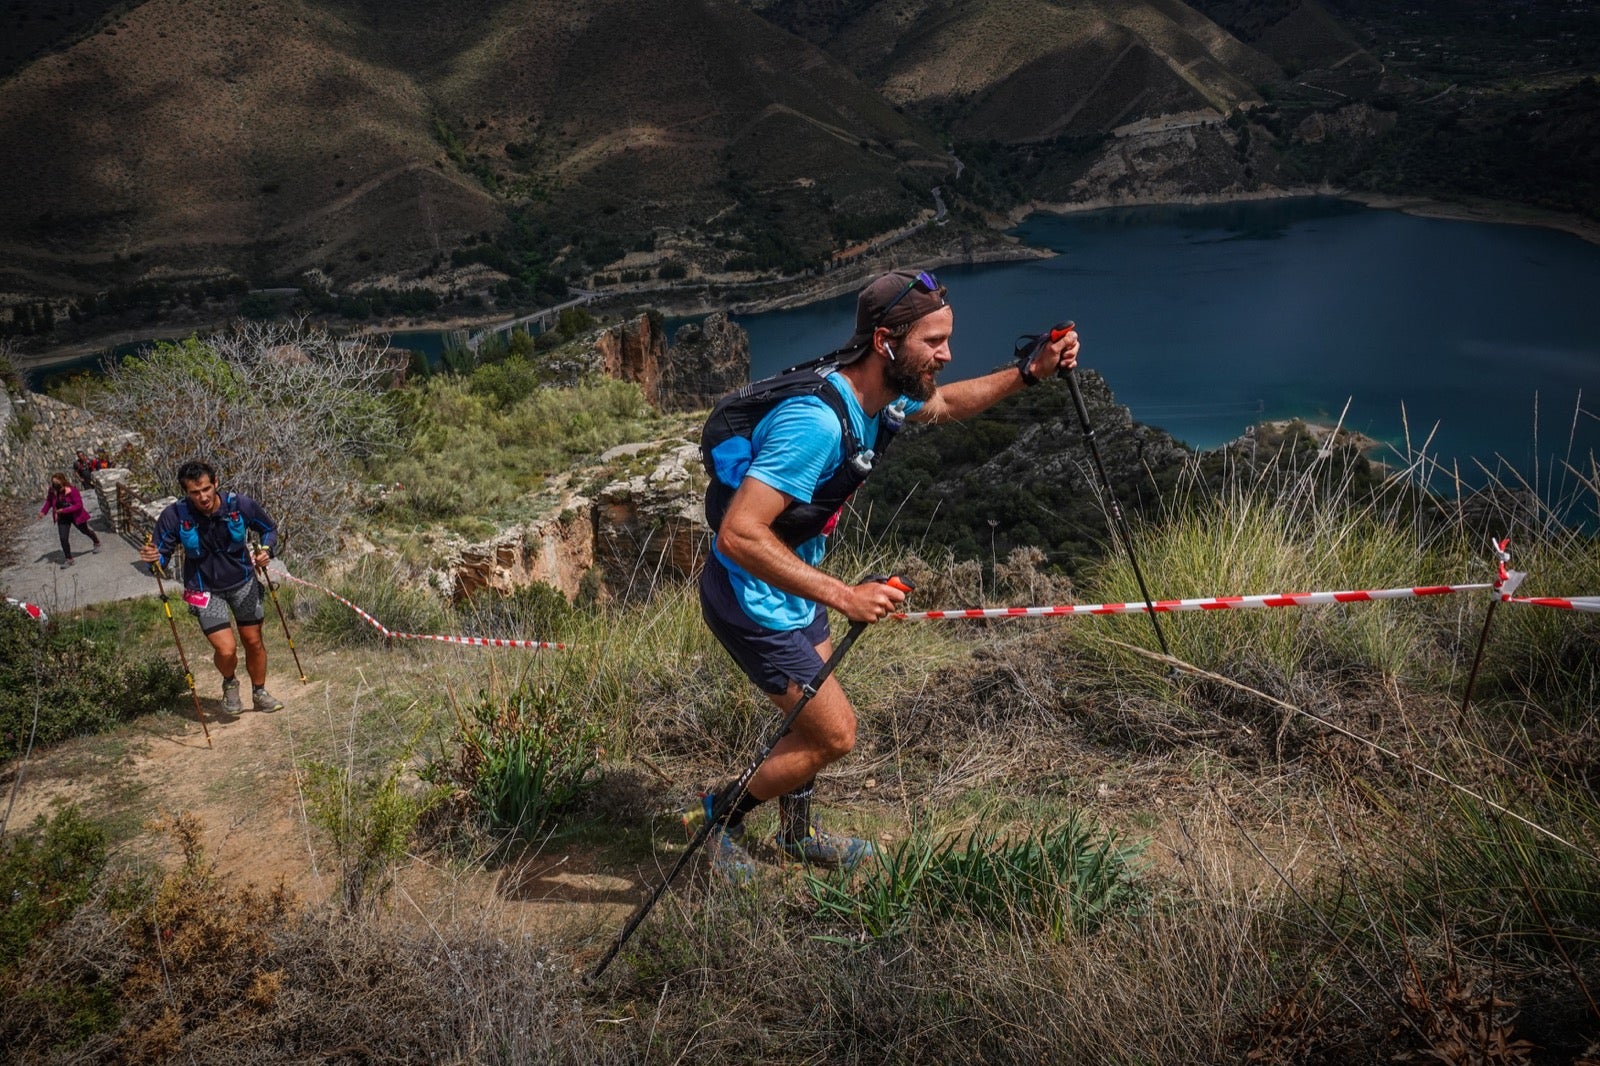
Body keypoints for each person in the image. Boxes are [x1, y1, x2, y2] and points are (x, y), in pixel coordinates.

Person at [692, 269, 1079, 879]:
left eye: (946, 339)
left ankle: (798, 835)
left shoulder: (882, 394)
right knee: (833, 734)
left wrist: (1030, 373)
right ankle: (718, 818)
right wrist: (844, 595)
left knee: (809, 722)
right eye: (933, 342)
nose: (946, 354)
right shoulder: (815, 425)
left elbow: (947, 403)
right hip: (751, 599)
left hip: (794, 585)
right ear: (884, 342)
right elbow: (739, 534)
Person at [137, 460, 285, 714]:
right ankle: (230, 683)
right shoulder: (174, 516)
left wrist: (265, 550)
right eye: (195, 492)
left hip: (243, 580)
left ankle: (259, 692)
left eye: (206, 488)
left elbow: (269, 529)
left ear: (216, 483)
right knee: (225, 649)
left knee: (253, 641)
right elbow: (160, 555)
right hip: (200, 589)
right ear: (186, 492)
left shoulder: (240, 505)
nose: (203, 497)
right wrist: (154, 560)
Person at [38, 472, 102, 567]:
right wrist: (43, 511)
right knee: (63, 538)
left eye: (57, 484)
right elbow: (49, 501)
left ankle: (96, 542)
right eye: (54, 484)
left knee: (85, 530)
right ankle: (69, 559)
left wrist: (64, 510)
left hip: (75, 515)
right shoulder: (53, 491)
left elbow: (79, 505)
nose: (55, 487)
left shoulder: (72, 491)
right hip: (62, 517)